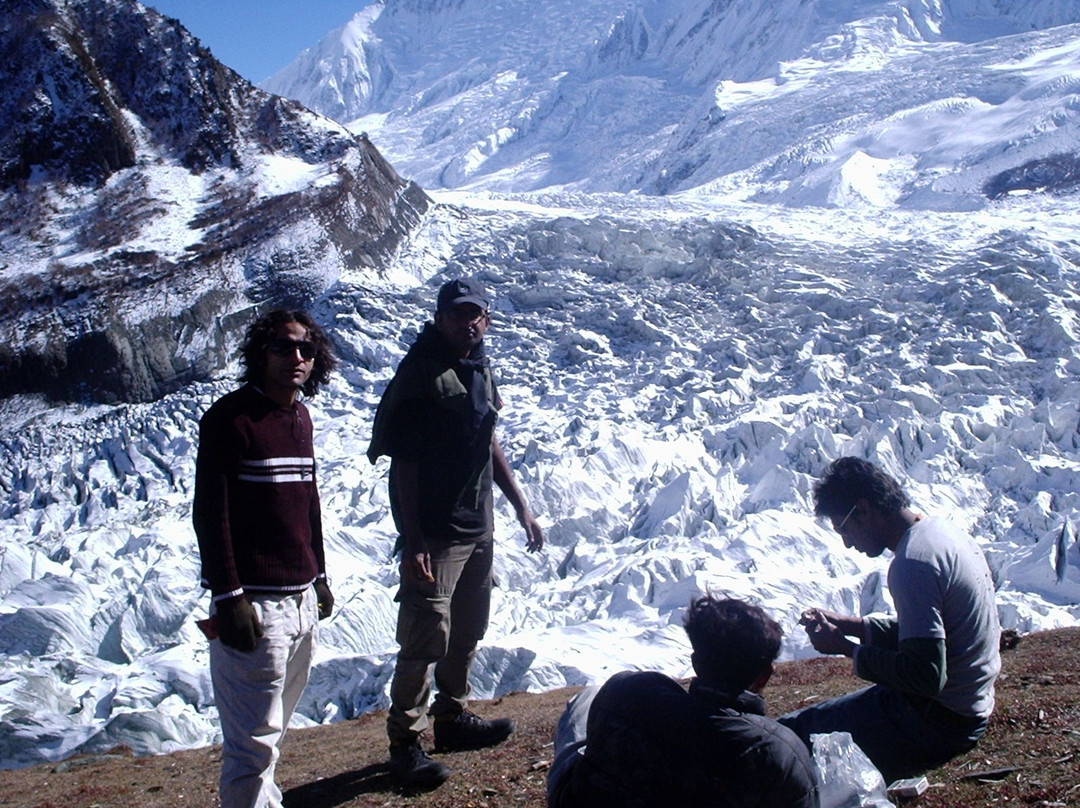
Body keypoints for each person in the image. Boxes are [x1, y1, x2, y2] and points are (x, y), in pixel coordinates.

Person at [367, 277, 545, 788]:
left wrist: (521, 509)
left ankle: (452, 718)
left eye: (477, 314)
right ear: (440, 319)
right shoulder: (422, 373)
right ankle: (406, 743)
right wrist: (414, 539)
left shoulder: (479, 367)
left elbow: (489, 441)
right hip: (438, 532)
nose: (469, 322)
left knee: (467, 628)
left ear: (485, 320)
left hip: (477, 524)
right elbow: (405, 463)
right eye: (458, 314)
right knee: (425, 635)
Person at [779, 457, 1001, 784]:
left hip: (938, 721)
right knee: (805, 725)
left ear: (864, 509)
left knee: (791, 740)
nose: (846, 541)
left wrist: (845, 649)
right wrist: (850, 625)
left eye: (843, 527)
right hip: (968, 707)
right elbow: (929, 636)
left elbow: (925, 676)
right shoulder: (940, 533)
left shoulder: (913, 564)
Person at [192, 309, 337, 808]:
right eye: (283, 346)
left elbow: (307, 503)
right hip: (256, 607)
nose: (296, 358)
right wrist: (230, 596)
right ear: (260, 352)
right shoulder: (230, 420)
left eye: (306, 349)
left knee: (271, 739)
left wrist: (319, 576)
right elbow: (211, 513)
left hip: (299, 604)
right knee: (251, 749)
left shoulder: (299, 416)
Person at [547, 596, 819, 808]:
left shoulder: (626, 689)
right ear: (764, 676)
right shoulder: (780, 752)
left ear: (696, 663)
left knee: (587, 697)